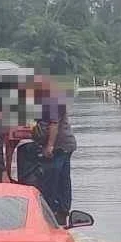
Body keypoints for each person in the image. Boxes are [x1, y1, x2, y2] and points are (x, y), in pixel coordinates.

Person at [34, 80, 77, 226]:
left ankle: (56, 212)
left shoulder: (54, 100)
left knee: (55, 180)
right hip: (63, 146)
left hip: (60, 147)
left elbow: (53, 124)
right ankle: (59, 213)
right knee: (61, 179)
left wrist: (49, 146)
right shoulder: (44, 101)